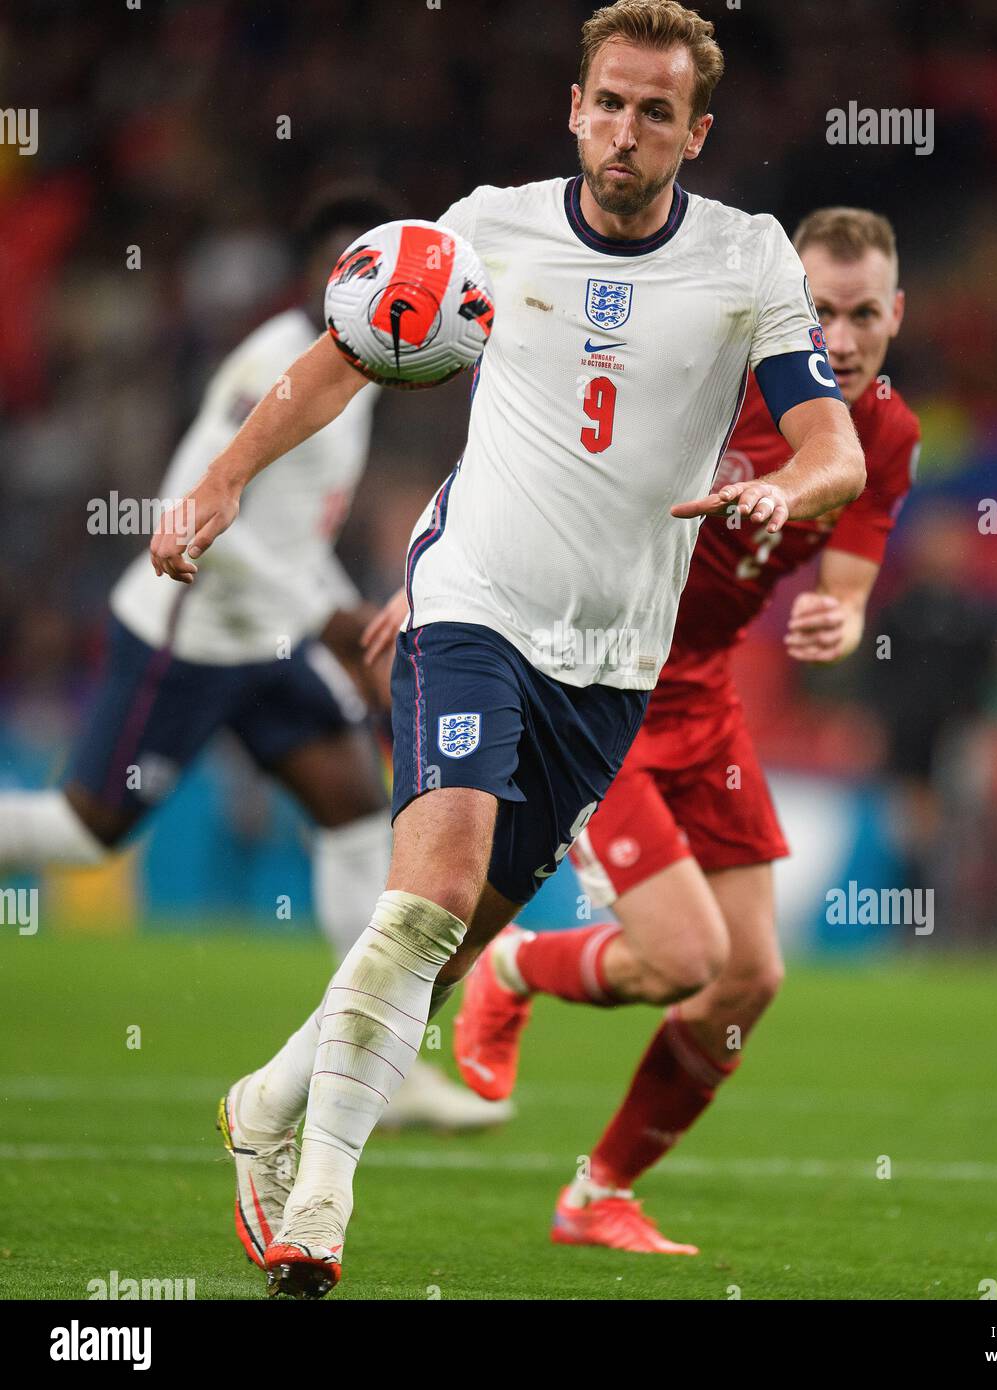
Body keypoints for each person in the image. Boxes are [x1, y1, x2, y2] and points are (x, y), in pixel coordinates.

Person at [151, 0, 865, 1298]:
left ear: (695, 131)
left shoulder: (748, 259)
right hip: (471, 599)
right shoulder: (484, 224)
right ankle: (317, 1203)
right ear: (574, 107)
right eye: (609, 101)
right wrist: (222, 480)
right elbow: (339, 356)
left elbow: (836, 446)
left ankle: (264, 1096)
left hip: (611, 663)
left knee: (441, 948)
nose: (627, 130)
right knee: (424, 899)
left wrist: (787, 490)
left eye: (658, 111)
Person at [0, 186, 511, 1151]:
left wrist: (336, 617)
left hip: (265, 641)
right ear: (345, 285)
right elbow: (201, 518)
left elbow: (290, 529)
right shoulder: (279, 364)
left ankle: (373, 1065)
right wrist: (330, 618)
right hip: (187, 635)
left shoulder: (356, 374)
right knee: (83, 832)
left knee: (357, 811)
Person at [451, 206, 920, 1254]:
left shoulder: (882, 434)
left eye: (861, 317)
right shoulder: (716, 377)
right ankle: (512, 967)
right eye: (820, 313)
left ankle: (599, 1190)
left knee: (750, 978)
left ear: (896, 315)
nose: (838, 340)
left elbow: (846, 586)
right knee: (678, 957)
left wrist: (840, 621)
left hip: (703, 697)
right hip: (598, 683)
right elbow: (544, 453)